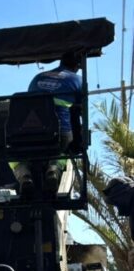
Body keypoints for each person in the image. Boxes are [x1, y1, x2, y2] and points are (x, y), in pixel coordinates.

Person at [11, 52, 82, 198]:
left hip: (28, 134)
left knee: (12, 153)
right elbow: (81, 111)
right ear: (77, 66)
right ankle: (53, 169)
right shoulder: (77, 80)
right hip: (60, 134)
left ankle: (24, 175)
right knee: (66, 149)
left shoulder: (37, 78)